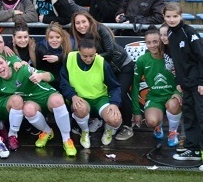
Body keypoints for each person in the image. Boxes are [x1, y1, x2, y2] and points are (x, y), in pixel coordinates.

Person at [164, 2, 203, 171]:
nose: (172, 19)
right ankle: (193, 148)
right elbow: (179, 62)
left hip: (198, 84)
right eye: (168, 16)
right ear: (164, 17)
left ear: (181, 16)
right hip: (186, 85)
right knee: (189, 116)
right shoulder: (171, 35)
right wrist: (179, 82)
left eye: (175, 16)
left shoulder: (189, 33)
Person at [0, 54, 77, 156]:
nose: (0, 67)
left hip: (46, 96)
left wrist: (40, 76)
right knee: (28, 110)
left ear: (7, 63)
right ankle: (47, 132)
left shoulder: (23, 70)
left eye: (1, 63)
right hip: (32, 102)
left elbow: (51, 76)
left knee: (57, 100)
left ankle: (67, 139)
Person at [71, 11, 135, 141]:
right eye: (77, 23)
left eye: (83, 22)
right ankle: (100, 120)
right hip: (107, 69)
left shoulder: (100, 29)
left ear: (90, 21)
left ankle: (128, 126)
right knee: (100, 93)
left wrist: (92, 58)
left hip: (122, 65)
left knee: (120, 94)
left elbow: (110, 51)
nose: (81, 25)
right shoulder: (79, 37)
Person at [59, 37, 123, 149]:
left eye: (92, 55)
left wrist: (114, 103)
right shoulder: (70, 58)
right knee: (80, 109)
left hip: (100, 99)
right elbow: (63, 83)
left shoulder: (102, 63)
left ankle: (108, 129)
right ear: (79, 51)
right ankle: (85, 131)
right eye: (85, 56)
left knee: (115, 119)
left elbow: (115, 87)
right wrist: (72, 96)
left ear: (96, 52)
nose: (89, 59)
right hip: (80, 98)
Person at [132, 28, 182, 147]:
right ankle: (157, 127)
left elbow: (184, 78)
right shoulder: (142, 60)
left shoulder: (172, 57)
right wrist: (136, 111)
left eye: (155, 41)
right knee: (151, 121)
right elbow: (135, 84)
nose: (152, 45)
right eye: (149, 42)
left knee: (173, 104)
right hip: (155, 98)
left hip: (172, 95)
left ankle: (172, 132)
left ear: (161, 41)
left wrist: (177, 92)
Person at [32, 23, 73, 90]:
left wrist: (58, 58)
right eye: (51, 37)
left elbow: (70, 57)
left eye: (57, 37)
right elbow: (40, 67)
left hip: (63, 81)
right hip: (47, 82)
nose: (54, 40)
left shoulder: (67, 46)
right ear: (47, 38)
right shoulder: (40, 47)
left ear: (62, 38)